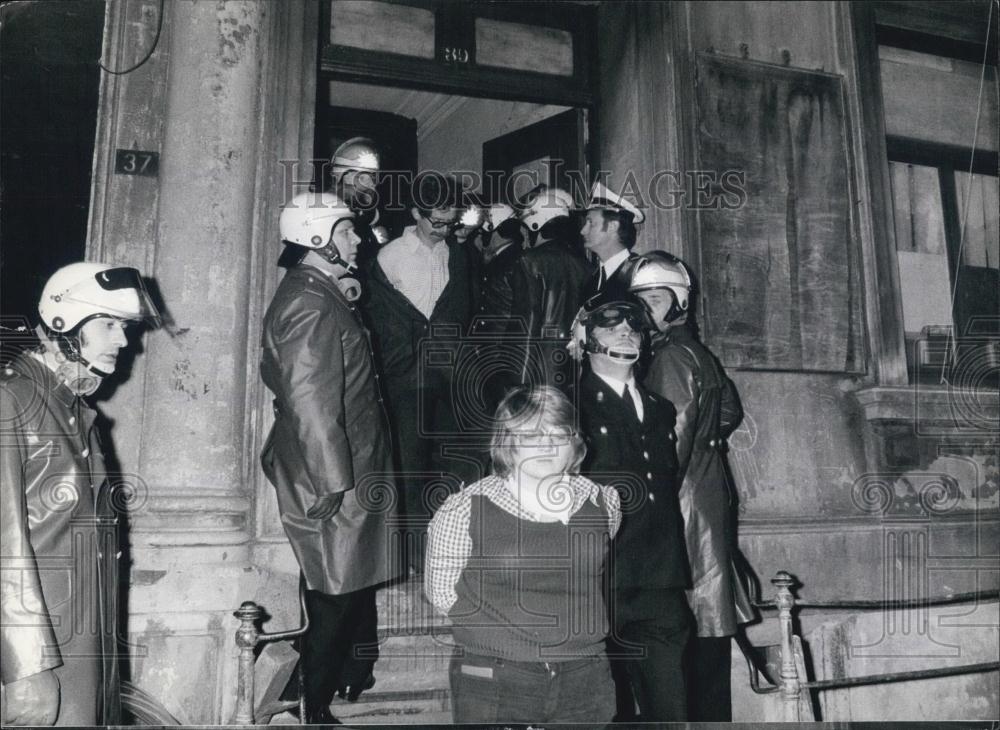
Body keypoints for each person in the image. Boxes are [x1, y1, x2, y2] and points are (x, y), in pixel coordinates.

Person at [260, 192, 400, 723]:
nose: (358, 238)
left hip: (347, 459)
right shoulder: (309, 302)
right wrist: (332, 481)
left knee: (342, 580)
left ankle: (337, 677)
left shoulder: (318, 290)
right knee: (335, 590)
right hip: (331, 466)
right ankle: (309, 707)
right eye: (346, 231)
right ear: (318, 239)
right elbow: (311, 402)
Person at [1, 262, 160, 725]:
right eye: (109, 324)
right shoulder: (12, 400)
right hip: (41, 655)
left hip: (82, 649)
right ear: (62, 324)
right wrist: (24, 667)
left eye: (125, 326)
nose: (123, 340)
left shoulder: (71, 405)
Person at [425, 386, 621, 724]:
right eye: (531, 433)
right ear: (508, 442)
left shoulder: (603, 502)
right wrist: (502, 635)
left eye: (558, 433)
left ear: (574, 442)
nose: (547, 444)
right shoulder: (465, 508)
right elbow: (441, 591)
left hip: (585, 676)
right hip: (496, 678)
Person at [629, 251, 755, 721]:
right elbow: (727, 412)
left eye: (656, 298)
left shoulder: (668, 357)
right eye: (639, 299)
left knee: (685, 647)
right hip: (704, 497)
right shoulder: (694, 350)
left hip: (680, 510)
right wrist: (709, 441)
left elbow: (669, 447)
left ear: (678, 302)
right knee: (707, 641)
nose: (645, 308)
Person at [573, 296, 691, 722]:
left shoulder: (660, 409)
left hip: (660, 582)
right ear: (585, 339)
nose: (625, 332)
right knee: (607, 712)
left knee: (671, 709)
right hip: (601, 581)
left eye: (633, 327)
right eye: (610, 326)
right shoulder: (570, 406)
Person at [364, 173, 478, 572]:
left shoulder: (460, 255)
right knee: (408, 470)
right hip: (405, 382)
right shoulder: (388, 257)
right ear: (416, 213)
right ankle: (408, 560)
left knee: (451, 467)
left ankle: (445, 555)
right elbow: (380, 324)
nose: (446, 229)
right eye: (438, 221)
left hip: (448, 381)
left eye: (452, 220)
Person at [508, 185, 592, 394]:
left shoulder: (530, 261)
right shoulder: (585, 265)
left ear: (535, 224)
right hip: (572, 370)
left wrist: (519, 382)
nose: (524, 234)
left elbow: (526, 325)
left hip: (538, 371)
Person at [580, 182, 643, 302]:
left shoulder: (639, 274)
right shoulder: (591, 279)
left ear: (612, 227)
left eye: (591, 223)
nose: (583, 231)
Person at [329, 136, 383, 270]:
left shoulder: (364, 216)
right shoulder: (327, 215)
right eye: (364, 177)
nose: (372, 184)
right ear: (346, 177)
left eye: (373, 177)